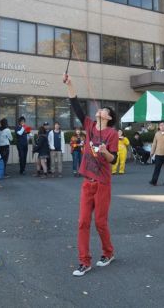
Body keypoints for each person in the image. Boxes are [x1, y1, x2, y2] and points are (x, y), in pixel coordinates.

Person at [63, 73, 118, 277]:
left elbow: (114, 159)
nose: (100, 110)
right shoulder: (89, 125)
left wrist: (104, 151)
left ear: (109, 117)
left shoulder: (112, 134)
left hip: (103, 183)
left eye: (104, 110)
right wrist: (70, 84)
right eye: (100, 109)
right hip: (88, 182)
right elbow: (76, 105)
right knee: (83, 222)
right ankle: (84, 261)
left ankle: (108, 253)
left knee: (100, 222)